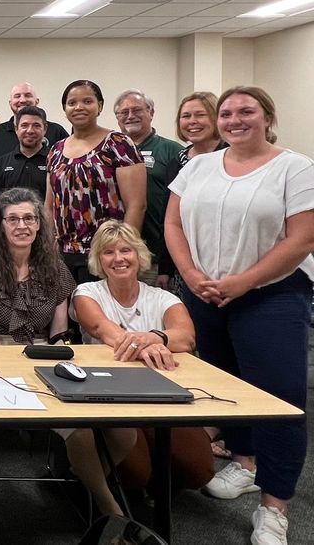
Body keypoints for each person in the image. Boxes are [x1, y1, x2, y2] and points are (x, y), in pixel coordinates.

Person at [166, 86, 314, 545]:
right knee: (223, 385)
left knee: (279, 397)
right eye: (226, 113)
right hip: (204, 293)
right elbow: (173, 223)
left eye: (246, 111)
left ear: (267, 117)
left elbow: (302, 239)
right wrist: (190, 274)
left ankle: (274, 505)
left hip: (271, 295)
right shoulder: (199, 165)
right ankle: (244, 462)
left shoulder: (296, 167)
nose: (234, 120)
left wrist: (242, 281)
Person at [71, 220, 212, 515]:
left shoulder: (162, 298)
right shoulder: (86, 293)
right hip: (108, 392)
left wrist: (157, 336)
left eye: (126, 250)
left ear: (139, 256)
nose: (118, 258)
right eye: (108, 252)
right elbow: (105, 331)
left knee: (201, 471)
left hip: (162, 392)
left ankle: (161, 482)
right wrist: (151, 344)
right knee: (137, 474)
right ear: (99, 260)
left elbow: (186, 336)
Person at [46, 79, 146, 287]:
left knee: (101, 317)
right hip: (63, 254)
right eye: (72, 103)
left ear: (100, 106)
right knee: (67, 317)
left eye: (87, 101)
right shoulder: (56, 150)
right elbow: (50, 205)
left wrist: (121, 252)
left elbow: (137, 205)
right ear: (65, 109)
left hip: (106, 253)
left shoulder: (118, 144)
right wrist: (48, 246)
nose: (79, 107)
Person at [0, 187, 72, 344]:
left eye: (28, 218)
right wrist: (8, 362)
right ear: (0, 225)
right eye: (12, 219)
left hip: (42, 350)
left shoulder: (56, 267)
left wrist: (55, 362)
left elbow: (59, 331)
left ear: (38, 224)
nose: (22, 226)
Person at [113, 89, 182, 290]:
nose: (130, 116)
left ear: (151, 112)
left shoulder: (172, 151)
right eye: (123, 112)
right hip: (114, 255)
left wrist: (166, 266)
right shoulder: (110, 151)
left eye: (136, 110)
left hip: (154, 257)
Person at [160, 91, 226, 296]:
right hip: (187, 264)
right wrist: (165, 269)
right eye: (186, 116)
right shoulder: (177, 162)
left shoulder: (232, 155)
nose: (192, 121)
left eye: (200, 115)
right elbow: (170, 218)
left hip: (227, 262)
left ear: (215, 118)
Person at [0, 83, 69, 213]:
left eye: (27, 95)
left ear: (37, 101)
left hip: (48, 222)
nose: (22, 100)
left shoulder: (57, 132)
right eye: (17, 96)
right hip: (8, 222)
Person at [0, 106, 50, 215]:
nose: (30, 130)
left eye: (36, 125)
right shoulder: (1, 163)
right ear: (16, 129)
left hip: (46, 229)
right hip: (10, 229)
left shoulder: (55, 161)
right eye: (24, 125)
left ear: (45, 129)